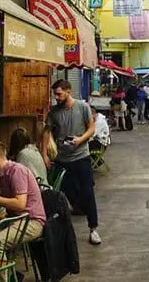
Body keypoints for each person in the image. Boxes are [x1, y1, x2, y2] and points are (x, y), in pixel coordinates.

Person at [0, 141, 46, 280]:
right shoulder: (2, 174)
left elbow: (20, 204)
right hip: (16, 219)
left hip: (31, 221)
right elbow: (8, 200)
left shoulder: (16, 170)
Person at [47, 79, 101, 245]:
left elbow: (91, 128)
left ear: (68, 91)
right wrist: (45, 155)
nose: (57, 97)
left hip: (81, 157)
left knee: (87, 192)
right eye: (55, 94)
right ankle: (64, 233)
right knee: (63, 195)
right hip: (62, 159)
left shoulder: (83, 107)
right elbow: (46, 133)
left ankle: (93, 229)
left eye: (59, 93)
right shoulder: (54, 112)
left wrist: (81, 139)